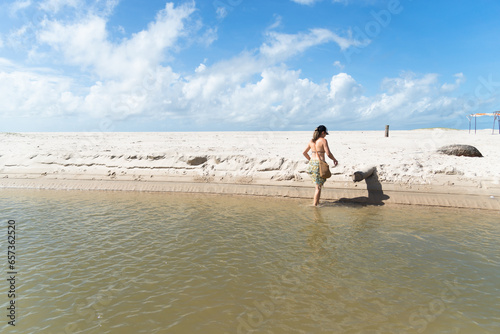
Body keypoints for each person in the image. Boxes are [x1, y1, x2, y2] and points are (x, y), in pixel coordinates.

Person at [303, 125, 338, 206]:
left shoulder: (311, 141)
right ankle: (315, 206)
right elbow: (328, 153)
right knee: (318, 187)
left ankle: (317, 202)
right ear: (322, 132)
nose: (325, 135)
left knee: (317, 186)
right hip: (319, 165)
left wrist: (311, 160)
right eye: (325, 133)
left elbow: (304, 153)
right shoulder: (323, 140)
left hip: (312, 164)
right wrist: (334, 159)